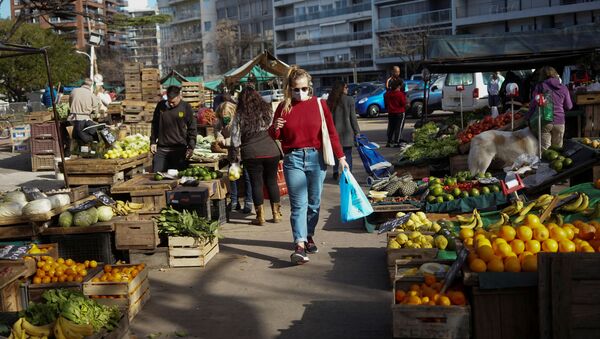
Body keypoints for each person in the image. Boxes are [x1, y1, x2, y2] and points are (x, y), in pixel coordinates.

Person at [269, 66, 349, 265]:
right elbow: (275, 135)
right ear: (290, 88)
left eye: (304, 89)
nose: (300, 93)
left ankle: (309, 234)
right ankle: (299, 244)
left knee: (313, 203)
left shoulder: (320, 105)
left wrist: (341, 157)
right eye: (296, 89)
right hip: (293, 159)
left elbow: (331, 133)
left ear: (310, 87)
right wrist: (275, 128)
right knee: (298, 205)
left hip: (316, 159)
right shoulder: (283, 107)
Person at [230, 86, 282, 225]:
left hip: (251, 152)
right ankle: (276, 214)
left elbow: (235, 136)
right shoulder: (267, 109)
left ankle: (260, 217)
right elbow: (272, 127)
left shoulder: (240, 113)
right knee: (272, 182)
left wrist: (234, 154)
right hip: (271, 150)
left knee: (256, 184)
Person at [214, 101, 254, 214]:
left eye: (227, 114)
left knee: (247, 177)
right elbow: (217, 131)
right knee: (234, 177)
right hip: (233, 154)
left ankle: (249, 202)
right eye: (223, 114)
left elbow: (238, 137)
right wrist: (219, 137)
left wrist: (226, 141)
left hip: (243, 153)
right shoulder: (220, 122)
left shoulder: (238, 121)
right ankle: (234, 202)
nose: (225, 116)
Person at [150, 85, 197, 172]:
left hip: (179, 150)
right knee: (157, 176)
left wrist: (191, 147)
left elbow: (192, 128)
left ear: (179, 96)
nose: (171, 104)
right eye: (169, 101)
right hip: (162, 150)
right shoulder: (160, 106)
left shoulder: (186, 107)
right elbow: (155, 124)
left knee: (179, 179)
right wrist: (153, 141)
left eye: (174, 102)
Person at [526, 66, 573, 150]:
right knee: (558, 149)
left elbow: (533, 105)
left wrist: (528, 117)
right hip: (559, 121)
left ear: (542, 75)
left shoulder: (540, 86)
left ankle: (545, 163)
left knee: (545, 149)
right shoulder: (563, 88)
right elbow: (569, 106)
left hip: (545, 121)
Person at [327, 81, 360, 180]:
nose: (347, 89)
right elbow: (353, 118)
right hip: (347, 132)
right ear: (342, 88)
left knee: (336, 153)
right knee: (347, 154)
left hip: (334, 132)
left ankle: (335, 171)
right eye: (346, 87)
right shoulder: (349, 100)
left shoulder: (330, 100)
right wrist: (357, 132)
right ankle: (347, 173)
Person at [69, 78, 102, 145]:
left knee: (74, 138)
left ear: (82, 84)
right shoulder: (91, 94)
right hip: (84, 119)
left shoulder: (74, 91)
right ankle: (89, 145)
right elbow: (96, 108)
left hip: (72, 119)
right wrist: (94, 113)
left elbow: (70, 103)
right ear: (90, 86)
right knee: (88, 136)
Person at [384, 79, 407, 147]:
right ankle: (397, 141)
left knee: (391, 127)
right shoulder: (400, 94)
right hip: (399, 112)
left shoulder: (388, 94)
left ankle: (389, 141)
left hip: (391, 112)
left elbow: (386, 102)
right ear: (398, 86)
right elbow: (403, 103)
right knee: (398, 128)